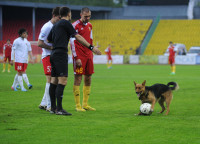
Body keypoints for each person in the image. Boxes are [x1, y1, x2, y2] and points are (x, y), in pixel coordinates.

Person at [47, 6, 101, 115]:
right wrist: (91, 48)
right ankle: (60, 109)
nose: (88, 18)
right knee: (63, 81)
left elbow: (49, 39)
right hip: (61, 54)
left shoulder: (56, 24)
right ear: (69, 14)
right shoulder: (68, 23)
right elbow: (77, 37)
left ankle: (53, 108)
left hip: (54, 54)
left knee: (54, 81)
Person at [37, 7, 60, 112]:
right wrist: (52, 48)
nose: (60, 20)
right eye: (59, 17)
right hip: (47, 56)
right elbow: (39, 43)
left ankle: (43, 103)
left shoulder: (56, 26)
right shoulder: (47, 27)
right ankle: (50, 106)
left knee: (52, 80)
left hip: (54, 56)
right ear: (54, 16)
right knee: (50, 80)